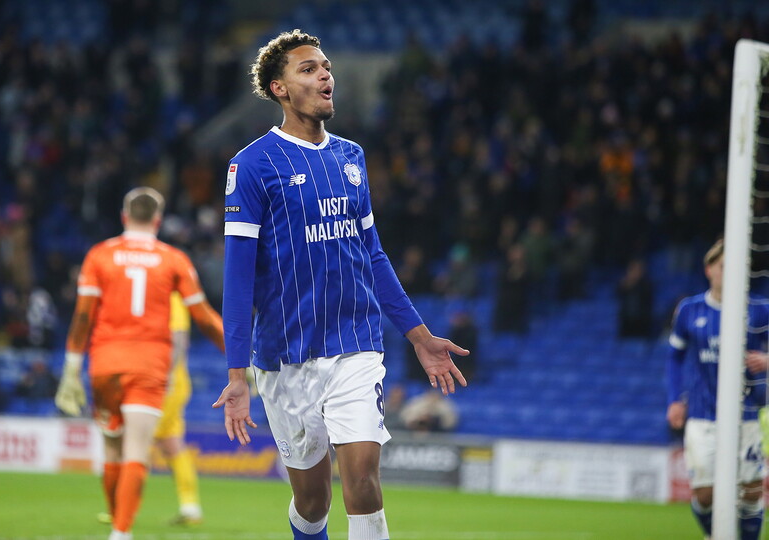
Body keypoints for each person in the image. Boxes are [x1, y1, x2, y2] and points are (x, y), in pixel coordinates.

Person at [212, 30, 468, 540]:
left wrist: (420, 337)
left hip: (355, 346)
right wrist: (237, 375)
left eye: (326, 66)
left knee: (364, 483)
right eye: (308, 69)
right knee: (312, 503)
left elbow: (371, 254)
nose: (325, 74)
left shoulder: (351, 157)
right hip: (283, 357)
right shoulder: (253, 165)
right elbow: (238, 276)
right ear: (279, 88)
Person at [55, 187, 224, 540]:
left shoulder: (100, 255)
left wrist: (70, 370)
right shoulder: (174, 259)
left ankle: (119, 524)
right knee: (136, 451)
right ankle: (121, 532)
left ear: (124, 217)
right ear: (158, 221)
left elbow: (82, 318)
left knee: (112, 447)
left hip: (104, 363)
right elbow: (205, 318)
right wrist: (242, 359)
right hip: (149, 365)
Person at [666, 239, 769, 540]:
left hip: (747, 415)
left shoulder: (759, 310)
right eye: (724, 266)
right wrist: (674, 399)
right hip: (702, 415)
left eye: (736, 267)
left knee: (750, 492)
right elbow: (674, 356)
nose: (730, 272)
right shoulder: (689, 310)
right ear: (709, 269)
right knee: (706, 494)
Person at [97, 293, 204, 527]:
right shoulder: (152, 295)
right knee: (170, 443)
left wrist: (163, 377)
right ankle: (190, 507)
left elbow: (178, 341)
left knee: (133, 442)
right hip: (164, 381)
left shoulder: (171, 299)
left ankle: (122, 510)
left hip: (162, 383)